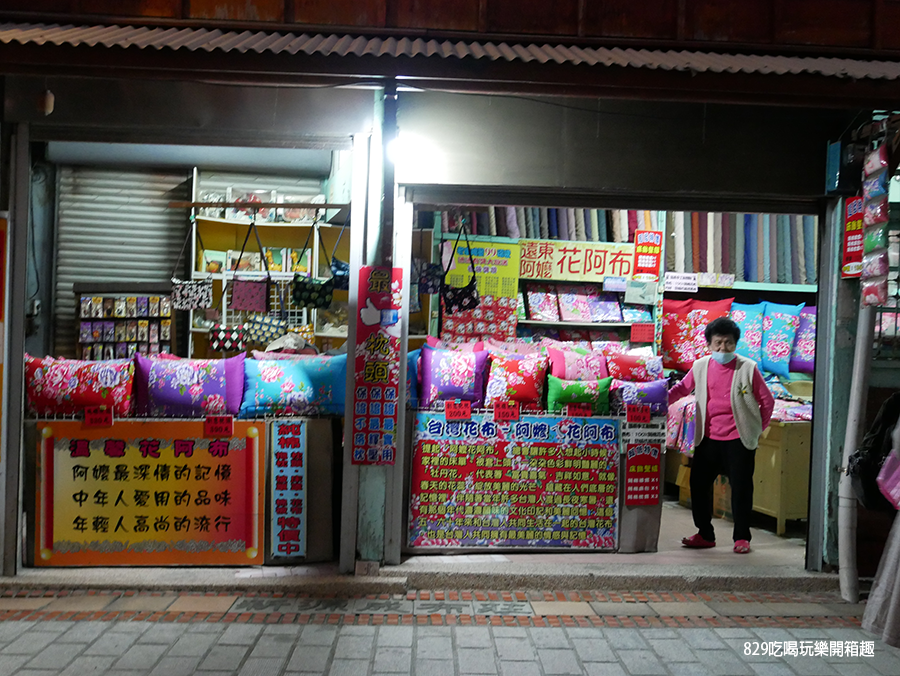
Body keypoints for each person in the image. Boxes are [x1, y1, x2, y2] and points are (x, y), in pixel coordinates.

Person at [668, 316, 774, 554]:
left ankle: (742, 538)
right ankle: (705, 534)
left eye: (727, 343)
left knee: (741, 488)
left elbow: (767, 401)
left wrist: (758, 429)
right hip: (708, 438)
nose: (722, 348)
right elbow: (682, 389)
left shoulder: (748, 368)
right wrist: (658, 401)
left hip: (739, 439)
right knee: (698, 484)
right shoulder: (700, 366)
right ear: (708, 344)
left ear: (735, 344)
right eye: (717, 343)